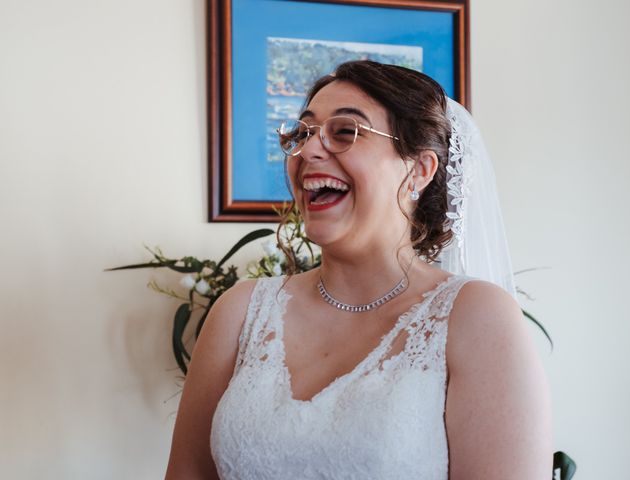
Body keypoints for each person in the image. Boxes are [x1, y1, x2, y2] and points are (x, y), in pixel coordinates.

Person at [165, 60, 553, 479]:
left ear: (420, 169)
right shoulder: (240, 310)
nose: (308, 151)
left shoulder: (475, 315)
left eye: (345, 132)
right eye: (303, 133)